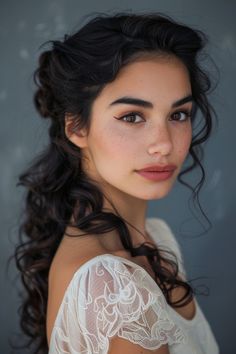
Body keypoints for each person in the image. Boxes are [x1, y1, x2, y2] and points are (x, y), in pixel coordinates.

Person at [13, 11, 220, 354]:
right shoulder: (113, 288)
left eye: (178, 114)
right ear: (76, 127)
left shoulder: (155, 237)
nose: (164, 144)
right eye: (132, 116)